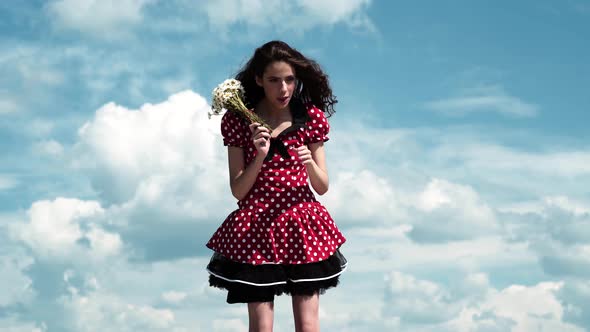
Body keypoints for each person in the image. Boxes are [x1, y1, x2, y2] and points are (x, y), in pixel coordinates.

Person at [206, 40, 347, 332]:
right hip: (255, 227)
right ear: (258, 80)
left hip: (302, 226)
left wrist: (309, 162)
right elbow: (238, 191)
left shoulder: (311, 119)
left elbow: (322, 186)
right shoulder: (238, 120)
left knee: (308, 325)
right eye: (274, 80)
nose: (283, 89)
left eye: (289, 80)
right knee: (261, 327)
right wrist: (259, 154)